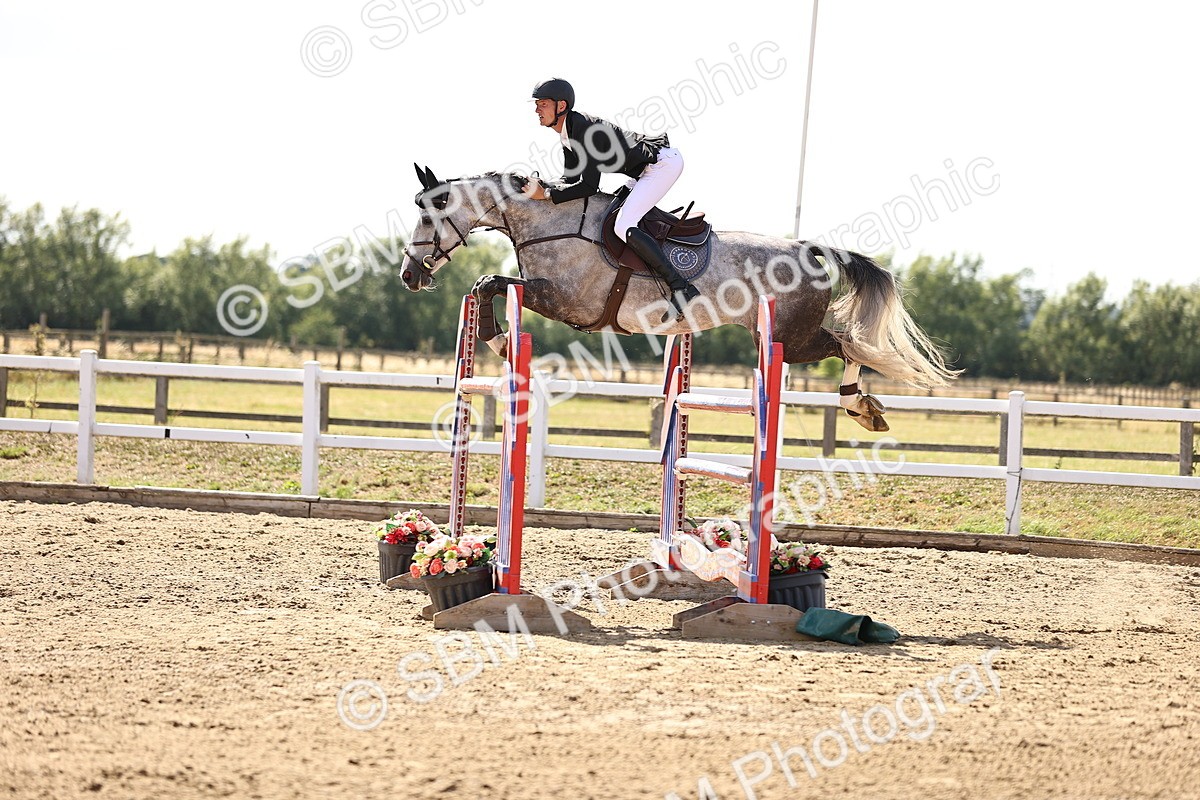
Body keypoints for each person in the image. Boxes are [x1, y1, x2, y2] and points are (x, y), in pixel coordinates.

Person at [523, 78, 701, 317]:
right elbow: (569, 179)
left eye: (542, 104)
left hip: (660, 166)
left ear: (561, 106)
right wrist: (543, 187)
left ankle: (681, 287)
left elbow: (587, 186)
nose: (537, 110)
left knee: (624, 225)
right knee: (614, 215)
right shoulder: (569, 134)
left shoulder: (582, 130)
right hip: (643, 171)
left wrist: (545, 194)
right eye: (537, 104)